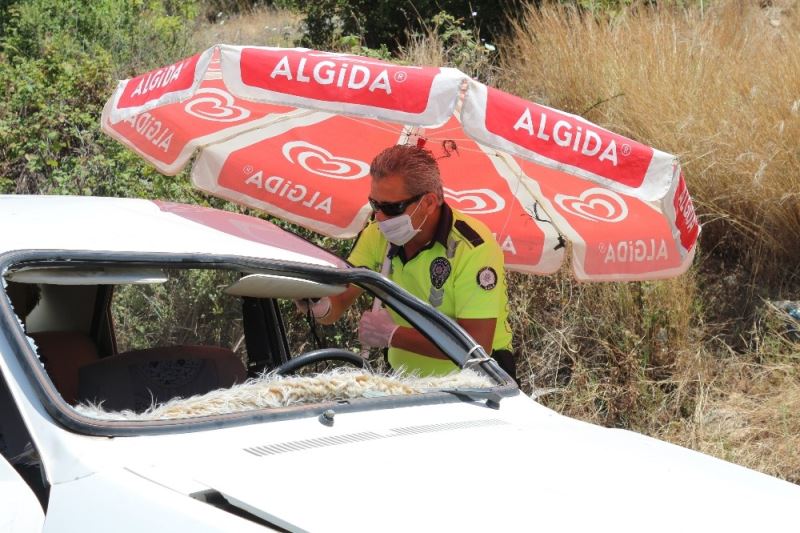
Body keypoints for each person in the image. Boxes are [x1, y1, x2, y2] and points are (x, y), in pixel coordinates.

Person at [300, 144, 515, 380]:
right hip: (405, 381)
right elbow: (337, 304)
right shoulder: (377, 234)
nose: (380, 217)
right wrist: (317, 304)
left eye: (392, 208)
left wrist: (392, 335)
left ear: (429, 203)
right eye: (375, 205)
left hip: (477, 382)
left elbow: (476, 345)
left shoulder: (473, 247)